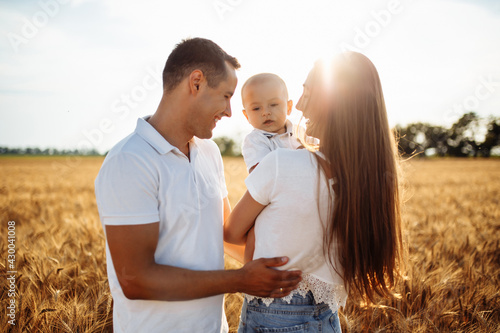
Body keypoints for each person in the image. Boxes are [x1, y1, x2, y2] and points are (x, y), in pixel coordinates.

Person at [94, 38, 302, 333]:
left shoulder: (208, 152)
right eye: (226, 96)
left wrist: (300, 256)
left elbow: (226, 235)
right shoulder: (129, 161)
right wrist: (241, 280)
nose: (230, 112)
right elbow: (135, 279)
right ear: (196, 83)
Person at [224, 51, 404, 332]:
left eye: (306, 92)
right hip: (327, 314)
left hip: (275, 312)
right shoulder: (366, 178)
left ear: (330, 102)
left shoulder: (281, 164)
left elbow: (231, 232)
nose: (300, 108)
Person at [241, 73, 302, 173]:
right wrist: (302, 155)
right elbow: (265, 174)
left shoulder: (300, 133)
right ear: (247, 116)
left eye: (273, 104)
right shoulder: (255, 140)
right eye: (256, 108)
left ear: (289, 107)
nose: (266, 113)